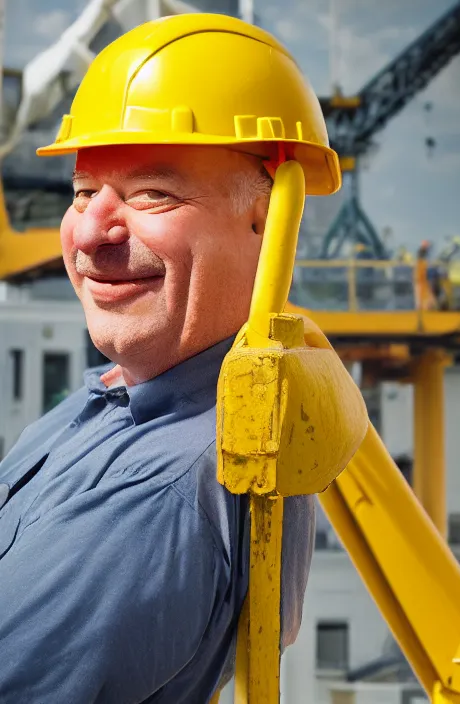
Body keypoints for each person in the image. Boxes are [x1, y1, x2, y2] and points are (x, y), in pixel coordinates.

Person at [0, 14, 342, 704]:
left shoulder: (161, 493)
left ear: (266, 222)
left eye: (153, 193)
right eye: (83, 191)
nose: (91, 231)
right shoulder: (121, 400)